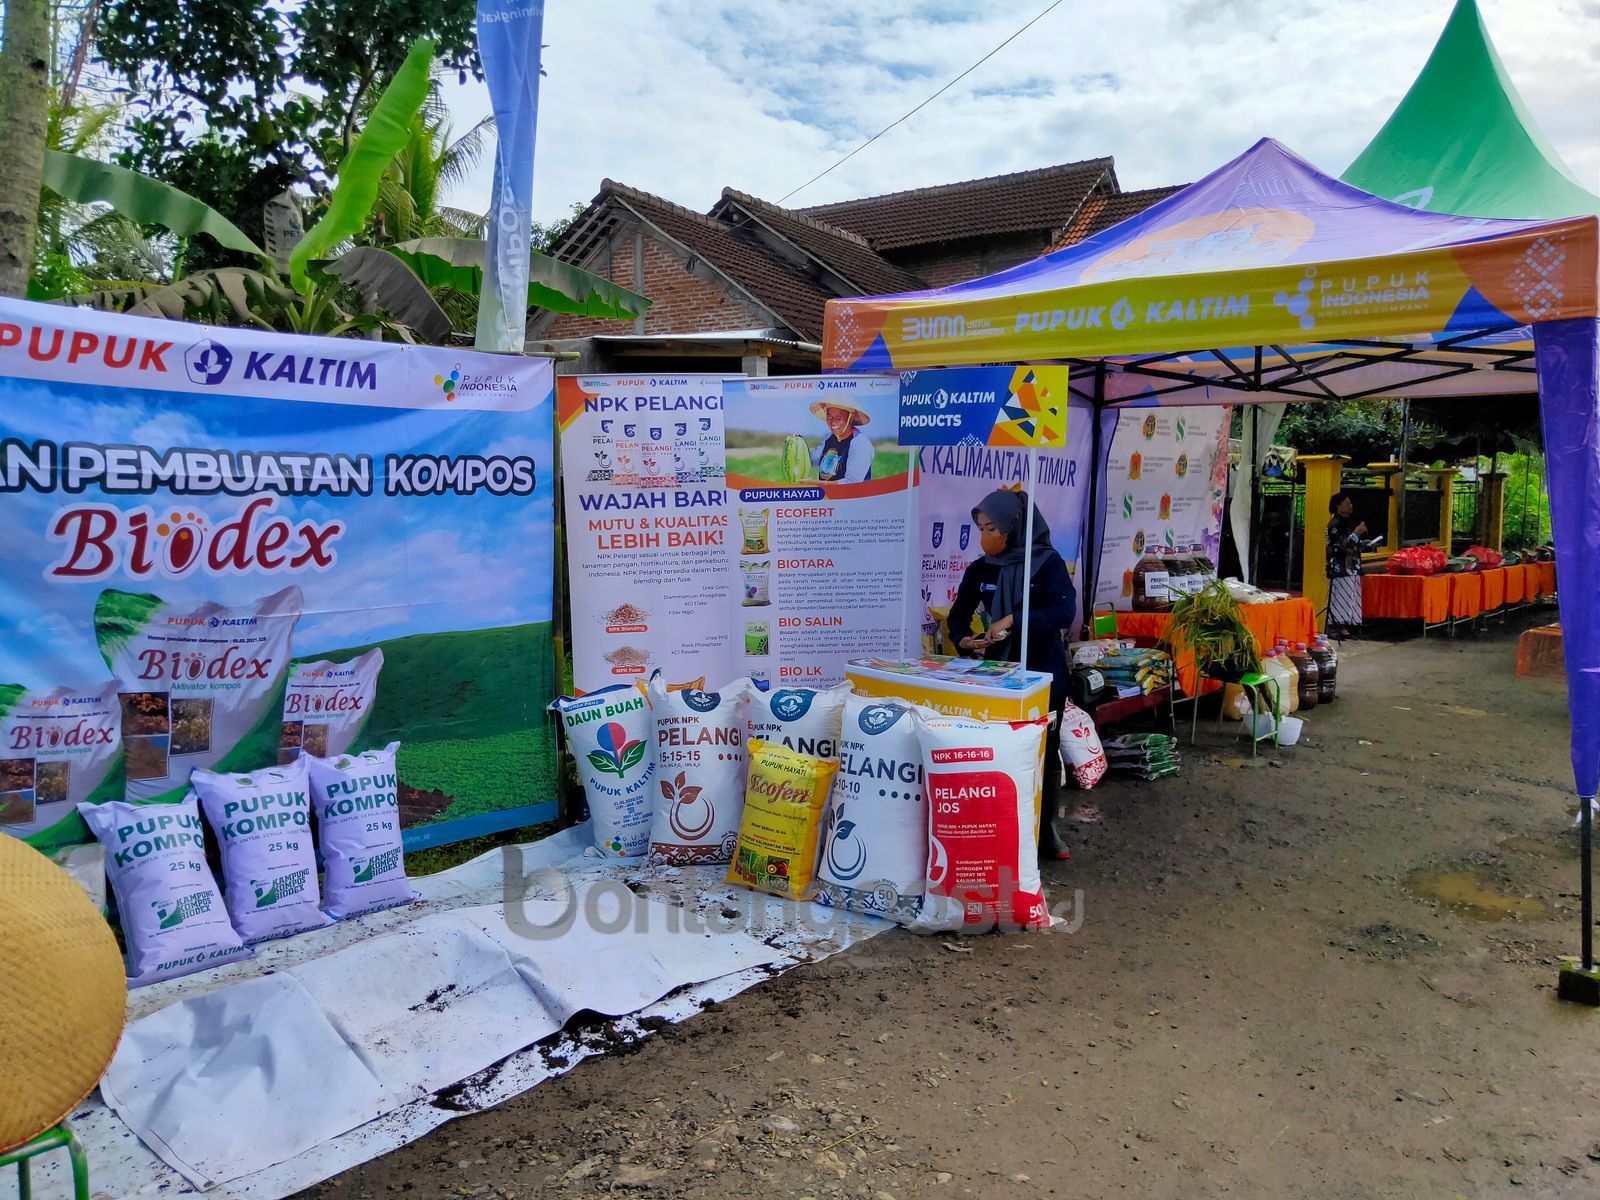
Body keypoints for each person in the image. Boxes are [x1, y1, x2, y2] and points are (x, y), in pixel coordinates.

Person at [945, 489, 1076, 862]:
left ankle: (1046, 827)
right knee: (998, 753)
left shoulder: (1047, 563)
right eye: (981, 528)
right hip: (995, 677)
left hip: (1042, 674)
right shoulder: (981, 568)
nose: (986, 536)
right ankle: (999, 828)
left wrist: (1014, 619)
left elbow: (1063, 614)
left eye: (993, 528)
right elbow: (957, 618)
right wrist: (965, 640)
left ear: (1014, 527)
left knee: (1044, 751)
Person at [1326, 492, 1367, 639]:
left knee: (1349, 596)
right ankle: (1332, 626)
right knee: (1339, 597)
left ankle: (1343, 624)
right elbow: (1341, 545)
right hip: (1340, 567)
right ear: (1338, 505)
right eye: (1347, 503)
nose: (1351, 506)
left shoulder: (1346, 523)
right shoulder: (1335, 524)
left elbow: (1350, 543)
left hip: (1350, 567)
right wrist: (1356, 533)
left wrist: (1360, 542)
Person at [808, 401, 875, 483]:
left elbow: (852, 482)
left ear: (851, 418)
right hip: (827, 495)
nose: (832, 422)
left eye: (838, 418)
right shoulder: (830, 438)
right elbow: (811, 460)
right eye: (829, 416)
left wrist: (816, 484)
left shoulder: (860, 444)